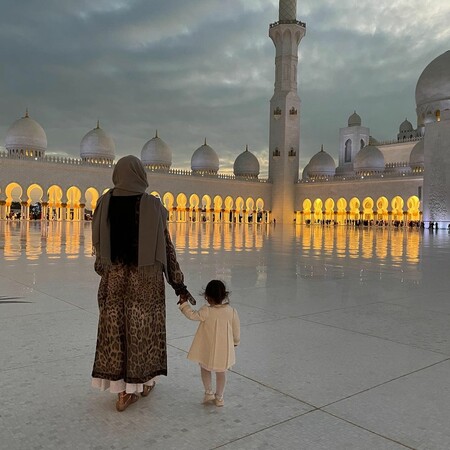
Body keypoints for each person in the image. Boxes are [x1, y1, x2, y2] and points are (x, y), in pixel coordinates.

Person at [91, 155, 191, 412]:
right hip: (145, 284)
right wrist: (178, 285)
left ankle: (122, 394)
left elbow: (99, 258)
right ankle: (144, 384)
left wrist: (112, 274)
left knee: (117, 336)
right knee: (143, 333)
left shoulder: (104, 203)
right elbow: (167, 251)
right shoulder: (153, 206)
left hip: (114, 283)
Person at [178, 280, 240, 407]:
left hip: (207, 349)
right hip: (224, 350)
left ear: (206, 296)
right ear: (224, 295)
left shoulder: (206, 311)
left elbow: (192, 315)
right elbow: (236, 330)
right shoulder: (231, 311)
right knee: (222, 372)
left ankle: (208, 392)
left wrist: (184, 304)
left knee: (205, 368)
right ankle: (220, 397)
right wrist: (235, 342)